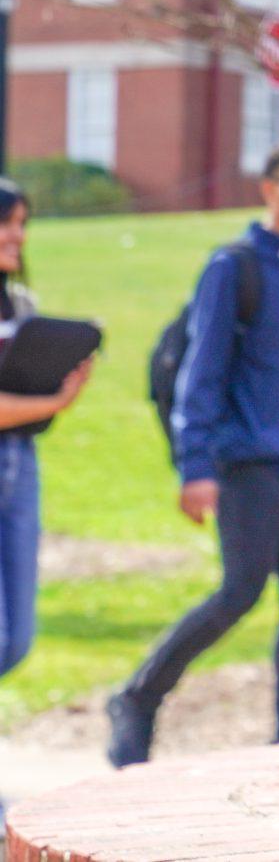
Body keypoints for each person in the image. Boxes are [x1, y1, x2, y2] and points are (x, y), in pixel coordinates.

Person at [107, 138, 279, 767]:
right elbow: (201, 374)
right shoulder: (233, 266)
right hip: (247, 464)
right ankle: (138, 698)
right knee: (240, 592)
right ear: (269, 188)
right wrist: (196, 467)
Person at [0, 176, 96, 683]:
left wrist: (59, 391)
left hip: (20, 463)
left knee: (15, 641)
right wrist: (52, 399)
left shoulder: (21, 307)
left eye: (22, 224)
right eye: (5, 223)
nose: (17, 235)